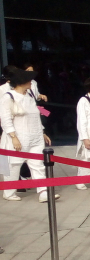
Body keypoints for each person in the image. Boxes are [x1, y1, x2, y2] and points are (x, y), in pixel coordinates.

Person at [1, 67, 54, 202]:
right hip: (18, 137)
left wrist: (42, 132)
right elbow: (5, 119)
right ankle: (9, 192)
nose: (31, 82)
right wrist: (13, 137)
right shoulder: (8, 97)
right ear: (21, 81)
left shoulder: (30, 96)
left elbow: (35, 117)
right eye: (29, 80)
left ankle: (43, 192)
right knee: (14, 165)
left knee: (38, 165)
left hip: (35, 137)